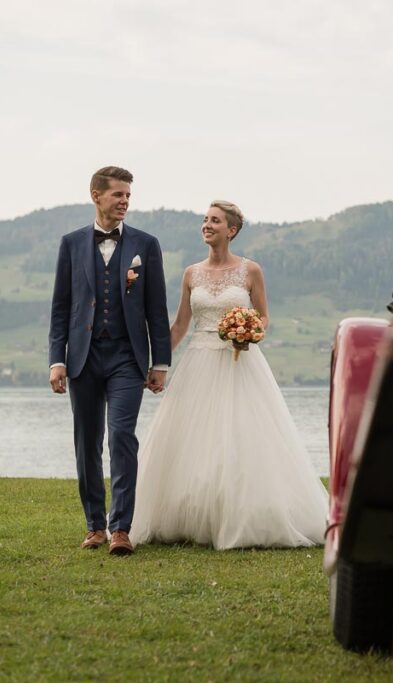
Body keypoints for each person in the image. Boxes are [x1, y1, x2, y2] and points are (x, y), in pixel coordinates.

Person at [130, 200, 327, 550]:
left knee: (241, 438)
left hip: (240, 362)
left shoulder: (251, 271)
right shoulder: (191, 273)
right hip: (199, 360)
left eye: (215, 221)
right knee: (192, 441)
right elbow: (180, 325)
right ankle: (188, 513)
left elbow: (264, 317)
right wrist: (158, 364)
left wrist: (249, 330)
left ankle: (244, 514)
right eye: (205, 220)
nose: (207, 225)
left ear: (231, 230)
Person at [48, 166, 171, 556]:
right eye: (118, 194)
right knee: (87, 442)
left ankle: (121, 528)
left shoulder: (145, 245)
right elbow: (61, 308)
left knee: (121, 437)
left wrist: (160, 363)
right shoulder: (70, 244)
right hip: (83, 357)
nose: (125, 202)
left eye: (128, 196)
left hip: (126, 358)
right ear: (96, 195)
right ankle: (94, 526)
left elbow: (156, 308)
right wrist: (57, 359)